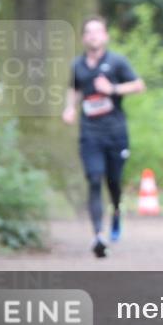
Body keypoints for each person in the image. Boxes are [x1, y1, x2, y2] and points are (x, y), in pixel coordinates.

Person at [62, 16, 146, 258]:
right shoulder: (77, 65)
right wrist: (70, 108)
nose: (93, 36)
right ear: (83, 38)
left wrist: (113, 89)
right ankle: (98, 234)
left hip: (116, 132)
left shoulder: (117, 62)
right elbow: (75, 89)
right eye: (89, 32)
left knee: (113, 182)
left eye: (98, 31)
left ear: (105, 36)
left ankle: (117, 212)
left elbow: (139, 85)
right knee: (94, 178)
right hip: (90, 132)